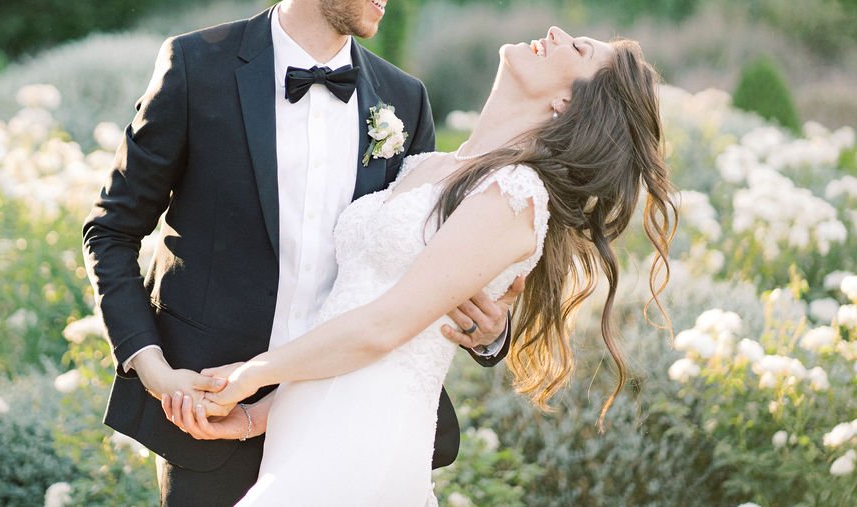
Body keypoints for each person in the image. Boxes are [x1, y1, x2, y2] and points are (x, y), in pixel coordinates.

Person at [82, 0, 519, 506]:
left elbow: (422, 270)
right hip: (207, 423)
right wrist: (154, 368)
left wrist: (492, 334)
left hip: (350, 423)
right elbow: (111, 231)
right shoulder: (196, 68)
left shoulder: (404, 100)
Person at [181, 26, 678, 505]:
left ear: (567, 104)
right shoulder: (427, 166)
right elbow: (351, 304)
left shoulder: (513, 194)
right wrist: (260, 415)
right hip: (308, 424)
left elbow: (385, 327)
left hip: (368, 432)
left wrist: (251, 374)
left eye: (578, 49)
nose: (552, 32)